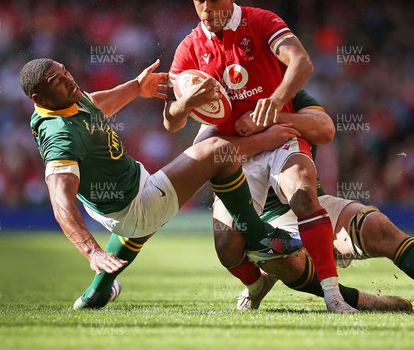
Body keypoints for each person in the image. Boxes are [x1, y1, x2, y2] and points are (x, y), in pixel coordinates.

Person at [19, 58, 302, 309]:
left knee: (140, 221)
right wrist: (92, 250)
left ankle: (97, 291)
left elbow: (97, 104)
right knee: (215, 150)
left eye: (66, 71)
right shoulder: (60, 138)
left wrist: (135, 87)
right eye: (58, 81)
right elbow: (60, 201)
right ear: (39, 98)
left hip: (123, 197)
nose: (69, 79)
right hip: (134, 205)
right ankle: (258, 235)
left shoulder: (67, 101)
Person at [164, 0, 354, 312]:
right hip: (236, 154)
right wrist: (184, 103)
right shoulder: (189, 48)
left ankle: (333, 295)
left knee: (302, 190)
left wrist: (278, 98)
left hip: (279, 137)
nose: (207, 8)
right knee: (227, 247)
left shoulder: (261, 22)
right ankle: (257, 283)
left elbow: (302, 61)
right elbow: (170, 121)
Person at [206, 91, 414, 311]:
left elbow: (325, 129)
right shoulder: (220, 105)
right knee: (281, 259)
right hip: (264, 222)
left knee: (380, 227)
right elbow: (203, 152)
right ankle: (362, 300)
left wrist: (276, 117)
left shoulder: (291, 96)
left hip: (310, 205)